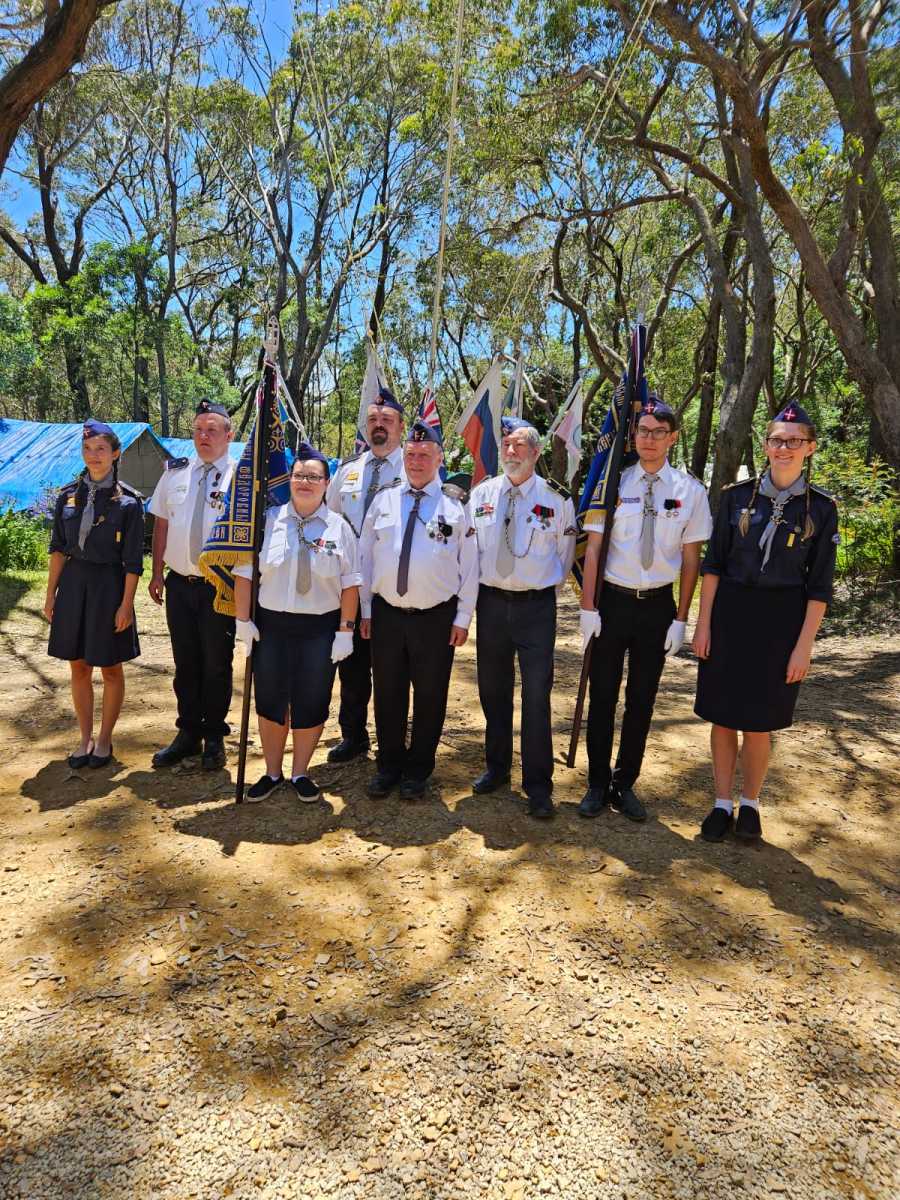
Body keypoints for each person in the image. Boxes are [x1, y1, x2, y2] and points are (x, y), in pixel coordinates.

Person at [693, 403, 838, 843]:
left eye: (794, 441)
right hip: (730, 616)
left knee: (759, 722)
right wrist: (703, 625)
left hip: (781, 623)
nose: (784, 448)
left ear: (810, 448)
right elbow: (714, 565)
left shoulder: (822, 508)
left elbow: (819, 587)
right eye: (777, 440)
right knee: (723, 716)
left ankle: (750, 804)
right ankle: (722, 803)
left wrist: (803, 647)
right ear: (765, 445)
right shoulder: (736, 497)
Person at [579, 396, 713, 822]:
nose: (649, 439)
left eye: (659, 432)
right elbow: (594, 547)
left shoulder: (690, 491)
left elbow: (691, 560)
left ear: (672, 438)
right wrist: (587, 606)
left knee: (641, 700)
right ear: (633, 435)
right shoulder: (613, 484)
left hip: (657, 608)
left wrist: (681, 618)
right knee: (602, 695)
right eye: (642, 431)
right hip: (612, 603)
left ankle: (625, 783)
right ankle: (596, 783)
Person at [232, 444, 359, 802]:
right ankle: (272, 772)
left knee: (312, 700)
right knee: (270, 699)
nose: (305, 482)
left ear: (326, 483)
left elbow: (351, 583)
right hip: (271, 627)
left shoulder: (340, 528)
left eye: (313, 477)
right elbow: (245, 573)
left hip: (320, 629)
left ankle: (300, 772)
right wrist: (243, 621)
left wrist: (345, 631)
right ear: (289, 479)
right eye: (299, 475)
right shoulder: (267, 521)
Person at [359, 420, 478, 800]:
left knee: (430, 696)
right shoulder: (384, 500)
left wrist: (463, 617)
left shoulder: (456, 506)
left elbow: (470, 567)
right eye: (410, 454)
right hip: (387, 614)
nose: (416, 461)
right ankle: (389, 766)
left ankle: (418, 771)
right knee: (388, 693)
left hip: (435, 618)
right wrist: (365, 610)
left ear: (439, 459)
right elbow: (365, 558)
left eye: (424, 455)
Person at [468, 417, 577, 819]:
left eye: (519, 445)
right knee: (492, 691)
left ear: (535, 452)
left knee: (535, 697)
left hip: (536, 609)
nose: (511, 452)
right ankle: (497, 769)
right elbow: (469, 553)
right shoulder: (481, 495)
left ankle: (538, 785)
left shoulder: (557, 499)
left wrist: (539, 587)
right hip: (491, 605)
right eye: (506, 445)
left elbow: (565, 557)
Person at [44, 419, 144, 768]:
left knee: (111, 667)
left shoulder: (129, 502)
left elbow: (133, 562)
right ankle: (84, 738)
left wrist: (126, 605)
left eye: (101, 449)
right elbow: (58, 549)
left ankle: (104, 740)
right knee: (79, 666)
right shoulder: (67, 496)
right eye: (87, 449)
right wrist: (51, 595)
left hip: (109, 587)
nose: (94, 455)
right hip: (74, 585)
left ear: (115, 453)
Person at [148, 400, 237, 771]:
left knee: (216, 663)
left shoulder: (241, 478)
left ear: (228, 435)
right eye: (199, 430)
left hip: (220, 586)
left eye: (212, 430)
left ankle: (214, 735)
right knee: (185, 662)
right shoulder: (175, 473)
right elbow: (161, 524)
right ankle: (188, 733)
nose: (204, 436)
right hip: (179, 584)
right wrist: (156, 572)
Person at [325, 388, 405, 763]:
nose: (378, 426)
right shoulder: (348, 471)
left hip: (390, 587)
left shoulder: (413, 469)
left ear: (400, 427)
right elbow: (329, 518)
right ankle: (353, 736)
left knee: (392, 672)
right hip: (350, 587)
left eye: (386, 420)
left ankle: (393, 743)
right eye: (373, 420)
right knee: (352, 668)